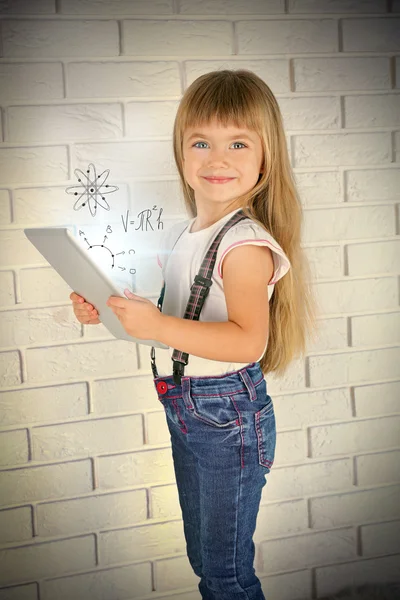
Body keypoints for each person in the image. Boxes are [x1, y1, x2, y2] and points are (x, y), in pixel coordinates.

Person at [70, 69, 318, 599]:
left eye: (238, 143)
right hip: (189, 408)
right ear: (181, 153)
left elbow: (247, 342)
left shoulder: (245, 245)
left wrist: (157, 325)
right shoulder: (189, 232)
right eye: (201, 141)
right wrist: (113, 309)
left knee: (226, 576)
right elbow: (186, 313)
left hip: (225, 413)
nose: (217, 158)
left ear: (265, 157)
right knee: (204, 559)